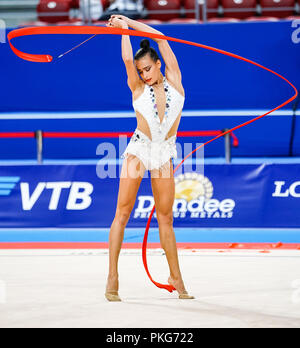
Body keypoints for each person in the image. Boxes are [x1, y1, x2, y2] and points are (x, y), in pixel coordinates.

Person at [104, 14, 195, 301]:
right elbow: (127, 61)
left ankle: (176, 277)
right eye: (141, 71)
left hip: (164, 154)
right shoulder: (138, 88)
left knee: (166, 218)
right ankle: (113, 276)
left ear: (158, 63)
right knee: (123, 213)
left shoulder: (177, 82)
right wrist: (123, 31)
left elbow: (159, 36)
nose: (144, 74)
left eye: (148, 68)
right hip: (139, 150)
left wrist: (129, 20)